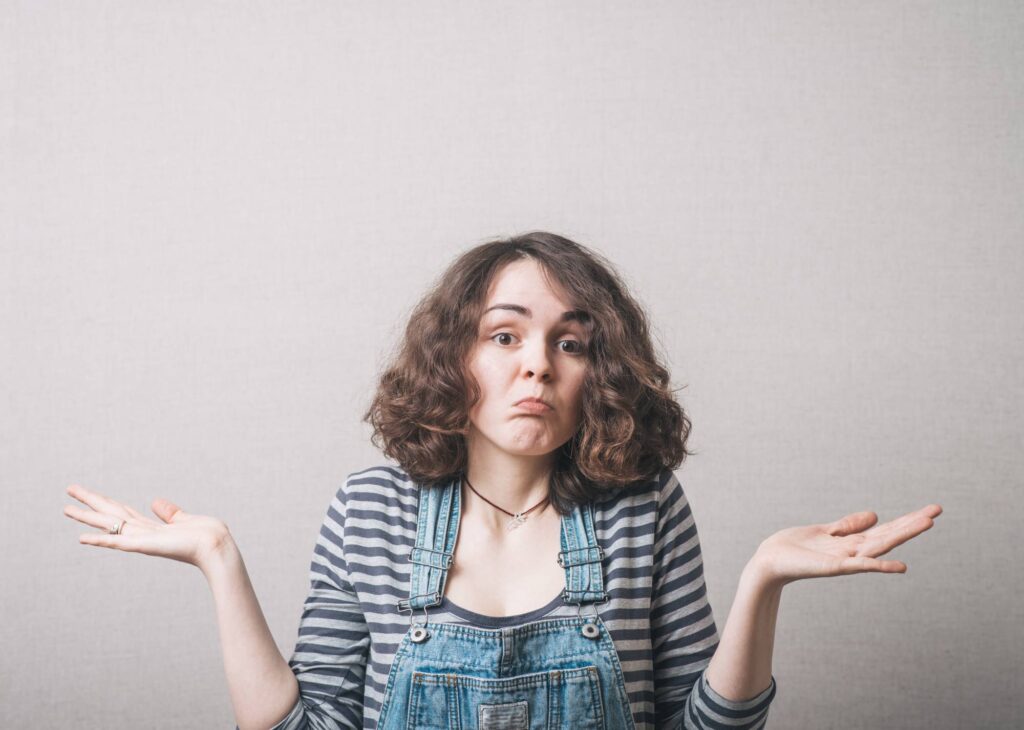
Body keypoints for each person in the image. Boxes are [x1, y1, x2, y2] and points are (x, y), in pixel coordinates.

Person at [63, 231, 942, 730]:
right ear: (457, 356)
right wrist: (219, 559)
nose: (537, 368)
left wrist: (762, 585)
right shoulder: (368, 511)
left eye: (570, 341)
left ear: (598, 368)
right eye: (505, 335)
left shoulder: (644, 510)